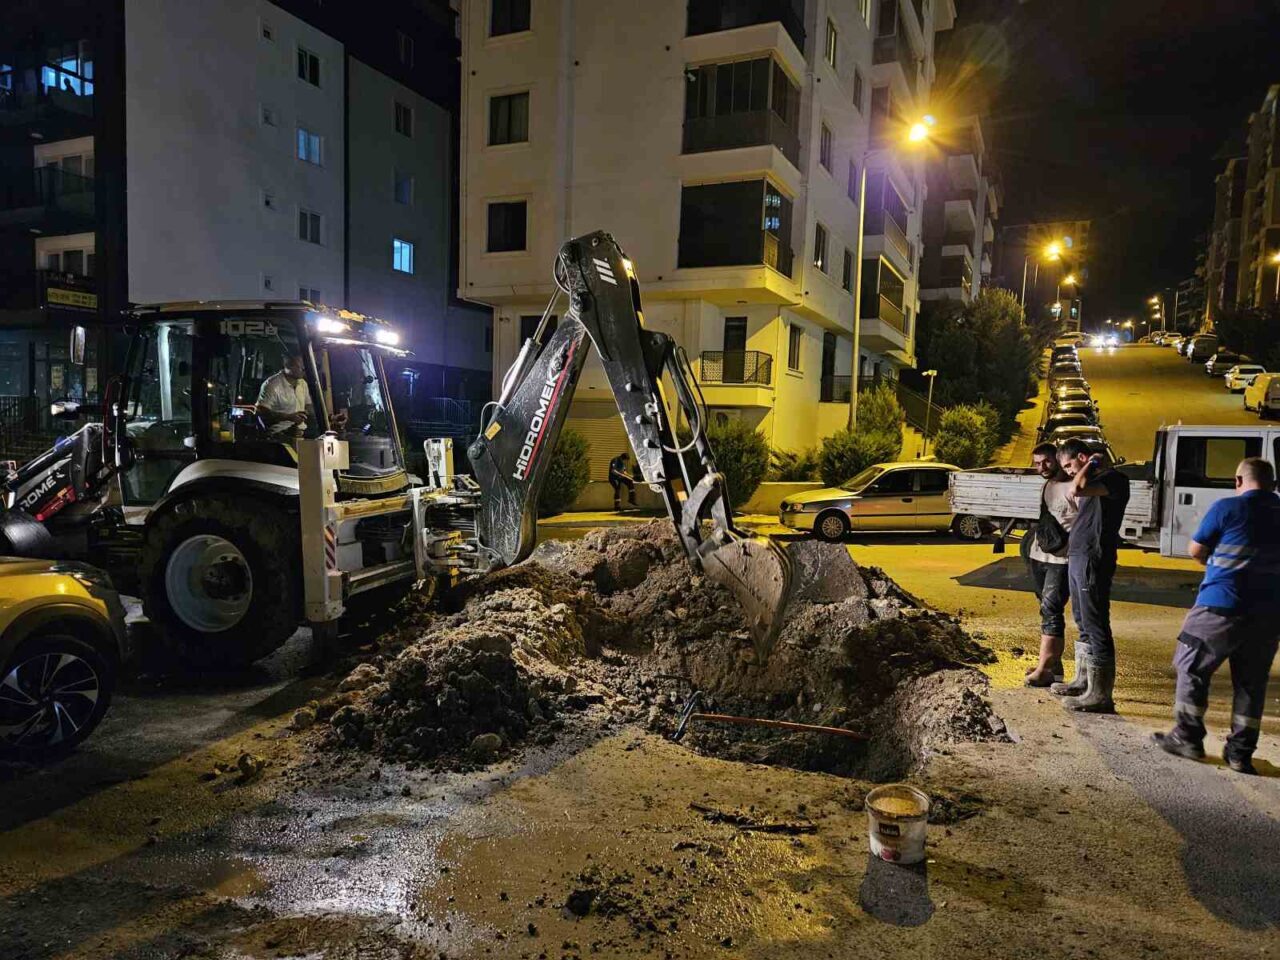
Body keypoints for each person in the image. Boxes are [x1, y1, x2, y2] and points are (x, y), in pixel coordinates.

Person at [1152, 457, 1280, 774]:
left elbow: (1197, 550)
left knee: (1191, 665)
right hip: (1269, 612)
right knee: (1251, 683)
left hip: (1221, 604)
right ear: (1274, 485)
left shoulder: (1228, 508)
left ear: (1238, 481)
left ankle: (1188, 738)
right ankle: (1240, 754)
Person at [1054, 438, 1130, 713]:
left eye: (1070, 465)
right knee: (1082, 620)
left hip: (1093, 557)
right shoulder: (1097, 482)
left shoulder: (1114, 479)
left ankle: (1100, 694)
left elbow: (1078, 488)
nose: (1070, 472)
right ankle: (1084, 681)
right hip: (1079, 556)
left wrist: (1092, 463)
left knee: (1096, 622)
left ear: (1084, 457)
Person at [1025, 442, 1078, 687]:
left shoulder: (1075, 486)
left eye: (1046, 461)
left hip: (1062, 559)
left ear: (1057, 459)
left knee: (1051, 609)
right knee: (1045, 609)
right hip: (1040, 556)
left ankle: (1045, 668)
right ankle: (1053, 665)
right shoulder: (1048, 484)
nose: (1042, 467)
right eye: (1037, 463)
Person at [256, 353, 312, 436]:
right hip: (278, 435)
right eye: (300, 366)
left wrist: (306, 413)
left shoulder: (303, 383)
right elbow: (261, 411)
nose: (304, 369)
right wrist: (288, 417)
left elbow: (308, 405)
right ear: (288, 365)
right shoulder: (272, 385)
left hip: (300, 433)